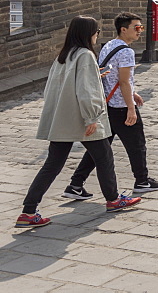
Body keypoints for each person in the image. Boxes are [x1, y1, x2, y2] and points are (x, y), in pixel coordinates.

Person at [16, 16, 142, 228]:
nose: (96, 36)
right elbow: (86, 91)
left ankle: (29, 210)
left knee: (52, 164)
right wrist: (91, 117)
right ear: (88, 33)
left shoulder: (65, 55)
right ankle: (113, 199)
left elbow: (60, 86)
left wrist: (96, 74)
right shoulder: (85, 55)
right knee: (104, 157)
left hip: (63, 119)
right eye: (96, 32)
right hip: (83, 120)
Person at [66, 12, 158, 198]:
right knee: (137, 145)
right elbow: (124, 81)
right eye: (136, 28)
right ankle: (142, 181)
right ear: (123, 29)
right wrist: (130, 107)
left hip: (108, 106)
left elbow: (111, 76)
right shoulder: (127, 51)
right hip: (121, 106)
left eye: (141, 27)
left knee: (100, 149)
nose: (140, 31)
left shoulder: (110, 45)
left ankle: (75, 184)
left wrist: (133, 93)